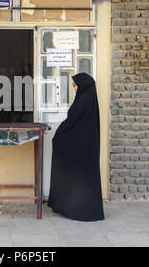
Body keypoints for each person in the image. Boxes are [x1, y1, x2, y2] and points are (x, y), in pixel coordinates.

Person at [47, 72, 104, 222]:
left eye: (75, 84)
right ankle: (83, 209)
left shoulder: (82, 103)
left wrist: (59, 138)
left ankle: (76, 209)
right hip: (85, 147)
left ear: (83, 86)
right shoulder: (88, 101)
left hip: (79, 147)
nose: (73, 87)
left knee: (76, 179)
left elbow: (72, 124)